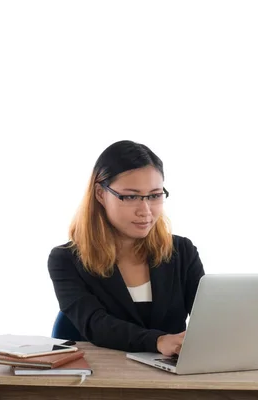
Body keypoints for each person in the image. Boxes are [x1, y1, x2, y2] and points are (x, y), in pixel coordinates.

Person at [47, 140, 205, 357]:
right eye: (131, 196)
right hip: (100, 376)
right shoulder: (67, 259)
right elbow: (96, 324)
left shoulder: (182, 251)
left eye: (154, 195)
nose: (145, 210)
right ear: (101, 194)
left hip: (170, 377)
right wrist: (157, 341)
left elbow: (208, 320)